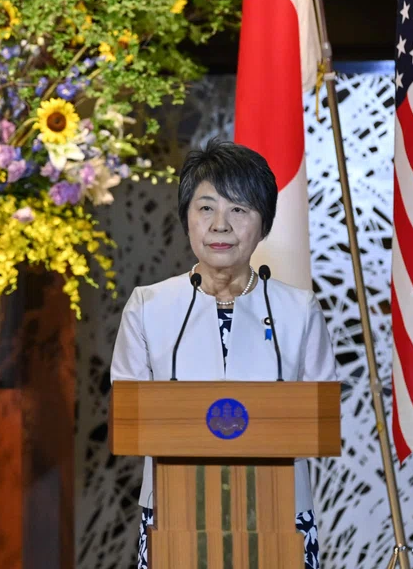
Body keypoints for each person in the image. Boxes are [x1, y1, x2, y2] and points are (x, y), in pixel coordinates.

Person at [109, 140, 336, 569]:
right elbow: (130, 414)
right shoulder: (148, 306)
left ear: (263, 225)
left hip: (280, 512)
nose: (220, 225)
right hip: (173, 513)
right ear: (187, 219)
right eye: (206, 208)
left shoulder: (296, 309)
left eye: (239, 210)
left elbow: (319, 416)